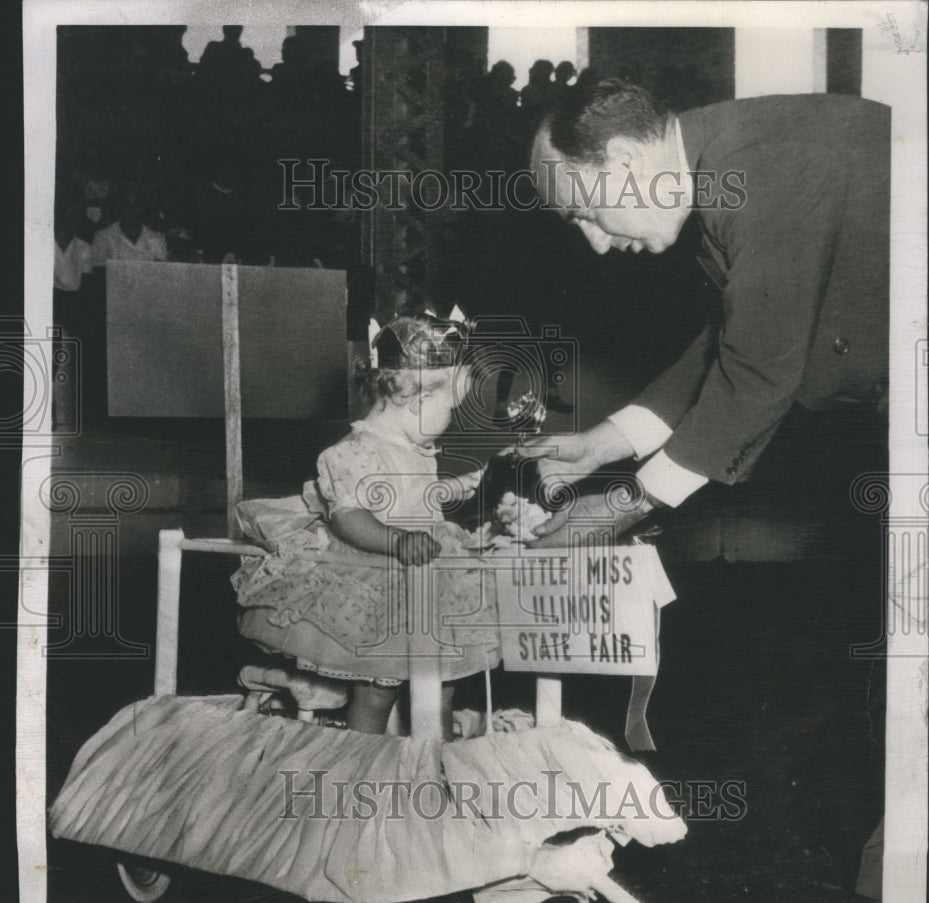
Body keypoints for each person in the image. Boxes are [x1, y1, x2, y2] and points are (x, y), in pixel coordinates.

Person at [526, 80, 889, 546]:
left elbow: (761, 362)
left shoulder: (760, 166)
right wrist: (601, 444)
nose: (597, 244)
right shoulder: (720, 166)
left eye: (586, 213)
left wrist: (632, 502)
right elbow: (735, 337)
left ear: (623, 161)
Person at [232, 314, 497, 738]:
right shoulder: (355, 451)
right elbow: (350, 517)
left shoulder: (415, 449)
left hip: (426, 578)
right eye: (451, 408)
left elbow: (417, 498)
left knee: (443, 684)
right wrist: (396, 540)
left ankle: (439, 760)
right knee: (377, 690)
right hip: (381, 578)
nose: (453, 419)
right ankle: (364, 764)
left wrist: (462, 489)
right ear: (414, 396)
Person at [90, 183, 168, 268]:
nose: (131, 208)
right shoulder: (103, 237)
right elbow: (100, 274)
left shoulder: (157, 238)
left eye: (136, 204)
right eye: (126, 204)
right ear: (118, 207)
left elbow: (160, 273)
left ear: (143, 208)